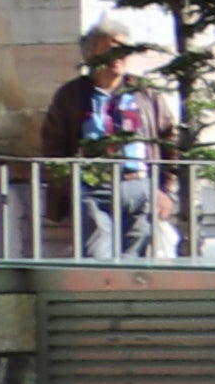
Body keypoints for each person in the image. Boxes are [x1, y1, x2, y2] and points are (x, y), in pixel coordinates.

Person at [45, 28, 166, 256]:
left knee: (137, 266)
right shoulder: (72, 95)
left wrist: (166, 190)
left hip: (140, 187)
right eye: (111, 50)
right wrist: (68, 185)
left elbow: (169, 137)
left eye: (124, 51)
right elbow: (54, 144)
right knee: (96, 259)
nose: (119, 57)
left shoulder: (144, 92)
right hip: (94, 189)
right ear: (90, 56)